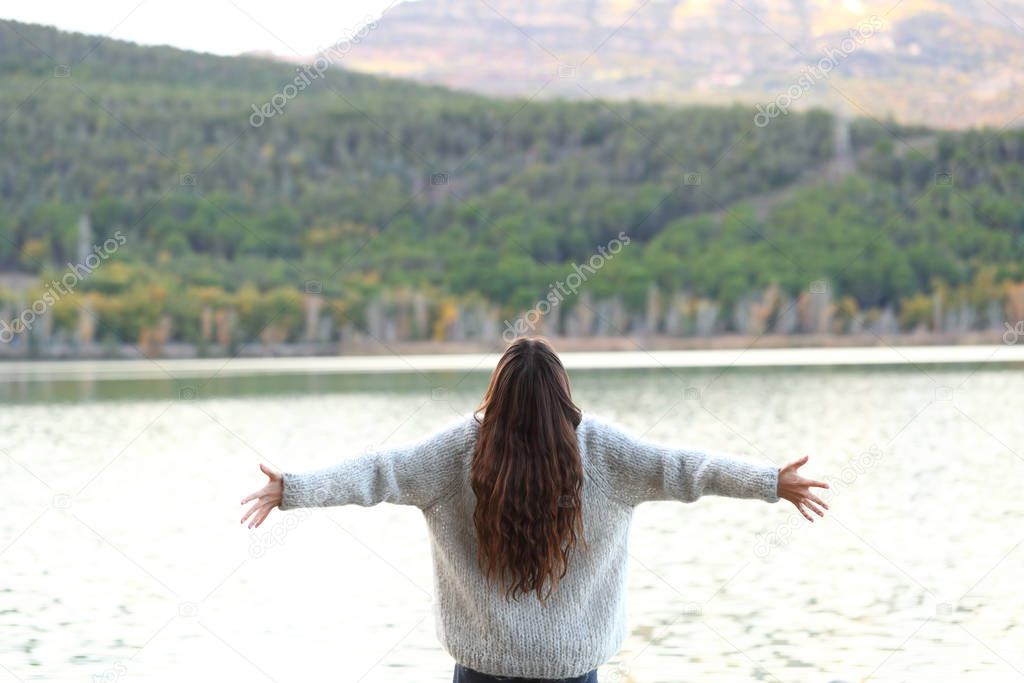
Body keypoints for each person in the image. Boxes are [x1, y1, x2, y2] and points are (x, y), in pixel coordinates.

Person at [241, 337, 828, 682]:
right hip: (573, 673)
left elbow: (376, 473)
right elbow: (685, 469)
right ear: (563, 394)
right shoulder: (604, 452)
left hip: (481, 672)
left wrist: (293, 488)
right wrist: (772, 482)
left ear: (494, 395)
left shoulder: (455, 453)